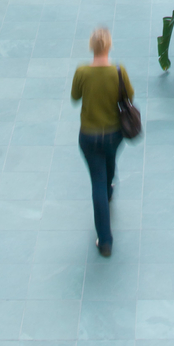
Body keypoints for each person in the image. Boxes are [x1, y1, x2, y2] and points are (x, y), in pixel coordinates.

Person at [71, 26, 132, 256]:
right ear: (108, 46)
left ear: (92, 46)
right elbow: (129, 95)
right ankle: (108, 188)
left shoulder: (82, 72)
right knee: (109, 159)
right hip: (114, 133)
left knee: (97, 179)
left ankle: (105, 240)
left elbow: (75, 97)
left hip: (88, 136)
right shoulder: (118, 71)